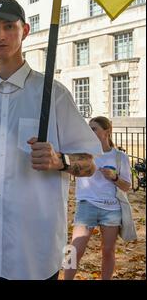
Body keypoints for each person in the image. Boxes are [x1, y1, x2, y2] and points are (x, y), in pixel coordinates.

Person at [0, 0, 102, 280]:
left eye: (8, 27)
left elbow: (90, 163)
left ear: (25, 30)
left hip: (34, 251)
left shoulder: (54, 93)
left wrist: (59, 160)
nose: (0, 35)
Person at [64, 117, 131, 280]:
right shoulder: (83, 152)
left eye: (94, 129)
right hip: (87, 205)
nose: (90, 131)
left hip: (111, 209)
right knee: (74, 250)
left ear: (107, 132)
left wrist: (114, 178)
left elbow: (127, 186)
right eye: (89, 128)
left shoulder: (120, 157)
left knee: (108, 251)